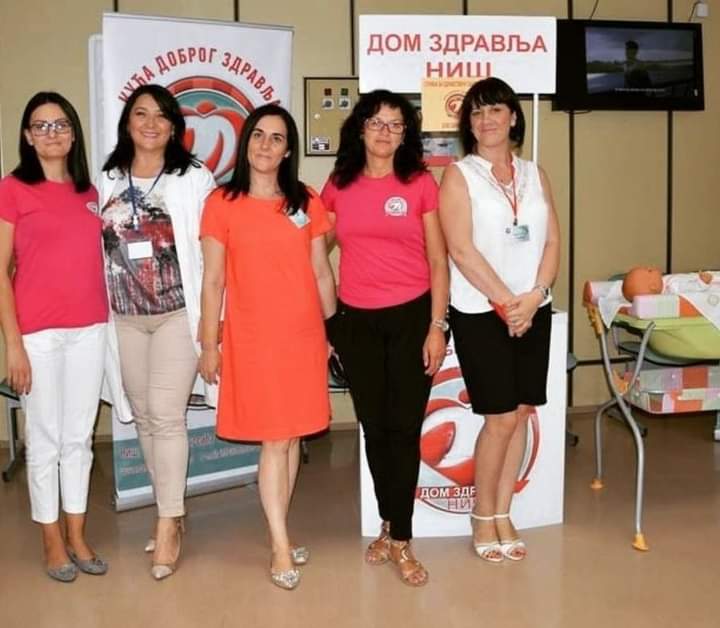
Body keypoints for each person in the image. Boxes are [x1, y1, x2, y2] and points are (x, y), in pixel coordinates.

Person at [199, 104, 336, 591]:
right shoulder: (222, 202)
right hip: (254, 339)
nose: (265, 145)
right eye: (258, 135)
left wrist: (332, 332)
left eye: (277, 138)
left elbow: (321, 272)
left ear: (288, 150)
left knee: (293, 436)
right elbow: (213, 281)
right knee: (276, 439)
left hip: (303, 336)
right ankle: (279, 543)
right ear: (246, 143)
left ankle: (281, 529)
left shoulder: (306, 200)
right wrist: (209, 343)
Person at [321, 90, 449, 587]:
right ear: (359, 128)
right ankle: (389, 524)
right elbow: (315, 251)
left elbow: (438, 260)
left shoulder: (420, 183)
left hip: (412, 318)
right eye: (376, 122)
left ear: (405, 134)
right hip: (357, 322)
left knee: (403, 429)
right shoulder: (339, 185)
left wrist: (437, 326)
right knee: (374, 430)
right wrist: (326, 321)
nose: (384, 131)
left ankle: (402, 539)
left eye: (395, 124)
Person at [438, 77, 560, 563]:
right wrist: (509, 303)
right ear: (468, 125)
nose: (486, 119)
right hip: (480, 311)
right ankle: (481, 515)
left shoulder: (535, 173)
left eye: (494, 110)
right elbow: (460, 249)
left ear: (513, 117)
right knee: (500, 418)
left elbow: (552, 241)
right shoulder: (458, 176)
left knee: (523, 413)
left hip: (533, 308)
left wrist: (536, 296)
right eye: (476, 112)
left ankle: (504, 511)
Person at [100, 84, 216, 580]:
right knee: (145, 416)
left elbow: (211, 252)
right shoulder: (107, 177)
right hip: (123, 316)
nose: (150, 124)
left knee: (167, 416)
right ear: (128, 123)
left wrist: (212, 324)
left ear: (174, 127)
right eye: (141, 114)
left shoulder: (192, 177)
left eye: (160, 116)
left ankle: (169, 522)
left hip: (176, 313)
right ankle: (169, 507)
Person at [0, 92, 109, 582]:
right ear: (27, 136)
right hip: (37, 335)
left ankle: (77, 533)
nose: (51, 133)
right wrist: (13, 344)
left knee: (78, 438)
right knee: (44, 440)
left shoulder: (90, 192)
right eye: (40, 126)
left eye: (60, 124)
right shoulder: (12, 189)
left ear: (73, 133)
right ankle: (51, 539)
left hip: (90, 328)